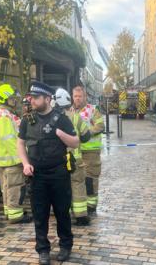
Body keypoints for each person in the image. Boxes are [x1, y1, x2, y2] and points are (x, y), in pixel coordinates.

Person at [17, 81, 79, 265]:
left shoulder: (61, 118)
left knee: (62, 212)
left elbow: (75, 142)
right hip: (37, 176)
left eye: (36, 97)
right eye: (31, 97)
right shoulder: (28, 119)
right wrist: (25, 163)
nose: (32, 100)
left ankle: (66, 246)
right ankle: (43, 250)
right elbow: (20, 143)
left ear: (47, 98)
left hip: (59, 174)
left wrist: (62, 135)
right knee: (40, 214)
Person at [0, 83, 32, 224]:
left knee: (7, 187)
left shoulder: (4, 113)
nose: (14, 100)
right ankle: (16, 215)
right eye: (11, 98)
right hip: (11, 160)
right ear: (4, 99)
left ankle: (9, 210)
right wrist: (21, 158)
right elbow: (9, 140)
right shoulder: (4, 115)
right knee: (15, 187)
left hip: (6, 160)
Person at [55, 88, 92, 226]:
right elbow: (86, 136)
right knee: (78, 186)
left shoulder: (47, 118)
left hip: (55, 162)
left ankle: (61, 215)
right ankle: (81, 216)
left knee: (59, 189)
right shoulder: (75, 116)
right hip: (75, 160)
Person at [71, 85, 104, 215]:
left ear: (85, 97)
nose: (77, 99)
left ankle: (91, 205)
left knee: (90, 179)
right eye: (75, 96)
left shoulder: (92, 110)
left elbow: (100, 126)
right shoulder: (71, 111)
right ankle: (80, 203)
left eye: (80, 96)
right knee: (78, 179)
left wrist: (86, 133)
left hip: (91, 152)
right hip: (76, 152)